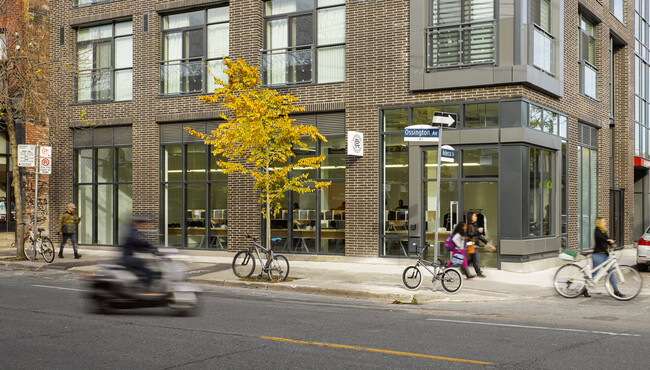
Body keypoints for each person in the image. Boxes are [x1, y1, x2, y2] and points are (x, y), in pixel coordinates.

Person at [583, 217, 623, 298]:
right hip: (598, 256)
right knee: (594, 275)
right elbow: (600, 238)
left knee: (611, 272)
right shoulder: (597, 231)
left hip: (605, 256)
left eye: (605, 221)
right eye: (603, 222)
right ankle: (584, 289)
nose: (605, 223)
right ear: (599, 223)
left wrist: (611, 244)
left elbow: (606, 239)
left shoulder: (604, 231)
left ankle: (616, 291)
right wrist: (608, 240)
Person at [122, 215, 156, 290]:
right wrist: (147, 245)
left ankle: (143, 284)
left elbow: (137, 246)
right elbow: (134, 241)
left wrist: (150, 250)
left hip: (128, 255)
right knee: (147, 267)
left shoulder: (134, 230)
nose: (143, 226)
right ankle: (145, 287)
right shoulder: (131, 230)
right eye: (143, 224)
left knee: (147, 264)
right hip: (127, 257)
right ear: (139, 223)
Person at [466, 212, 488, 278]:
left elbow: (478, 236)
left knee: (472, 260)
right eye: (474, 216)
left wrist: (485, 241)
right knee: (475, 260)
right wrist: (478, 232)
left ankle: (463, 268)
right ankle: (478, 272)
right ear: (471, 217)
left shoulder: (475, 225)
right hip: (473, 245)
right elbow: (470, 234)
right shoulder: (469, 226)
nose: (476, 217)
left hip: (475, 244)